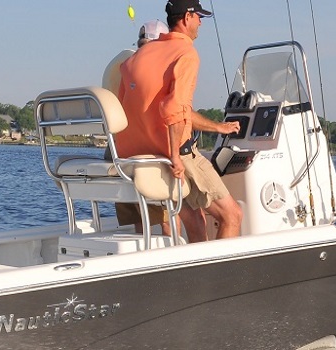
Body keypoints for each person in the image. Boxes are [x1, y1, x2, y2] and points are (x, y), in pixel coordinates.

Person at [115, 0, 242, 242]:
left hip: (137, 156)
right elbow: (174, 108)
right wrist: (175, 156)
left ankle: (197, 275)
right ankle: (220, 279)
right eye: (199, 17)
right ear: (186, 18)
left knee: (195, 221)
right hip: (175, 155)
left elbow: (135, 110)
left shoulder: (136, 58)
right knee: (232, 215)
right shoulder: (186, 53)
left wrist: (217, 127)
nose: (201, 22)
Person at [103, 19, 174, 236]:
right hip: (141, 152)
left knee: (137, 212)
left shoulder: (122, 64)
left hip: (113, 153)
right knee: (169, 208)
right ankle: (172, 246)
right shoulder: (150, 69)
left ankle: (140, 244)